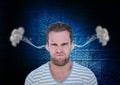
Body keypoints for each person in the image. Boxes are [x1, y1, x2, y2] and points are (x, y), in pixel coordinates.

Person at [24, 22, 98, 85]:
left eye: (64, 44)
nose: (59, 50)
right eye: (54, 44)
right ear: (47, 46)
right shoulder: (33, 78)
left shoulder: (88, 77)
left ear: (72, 45)